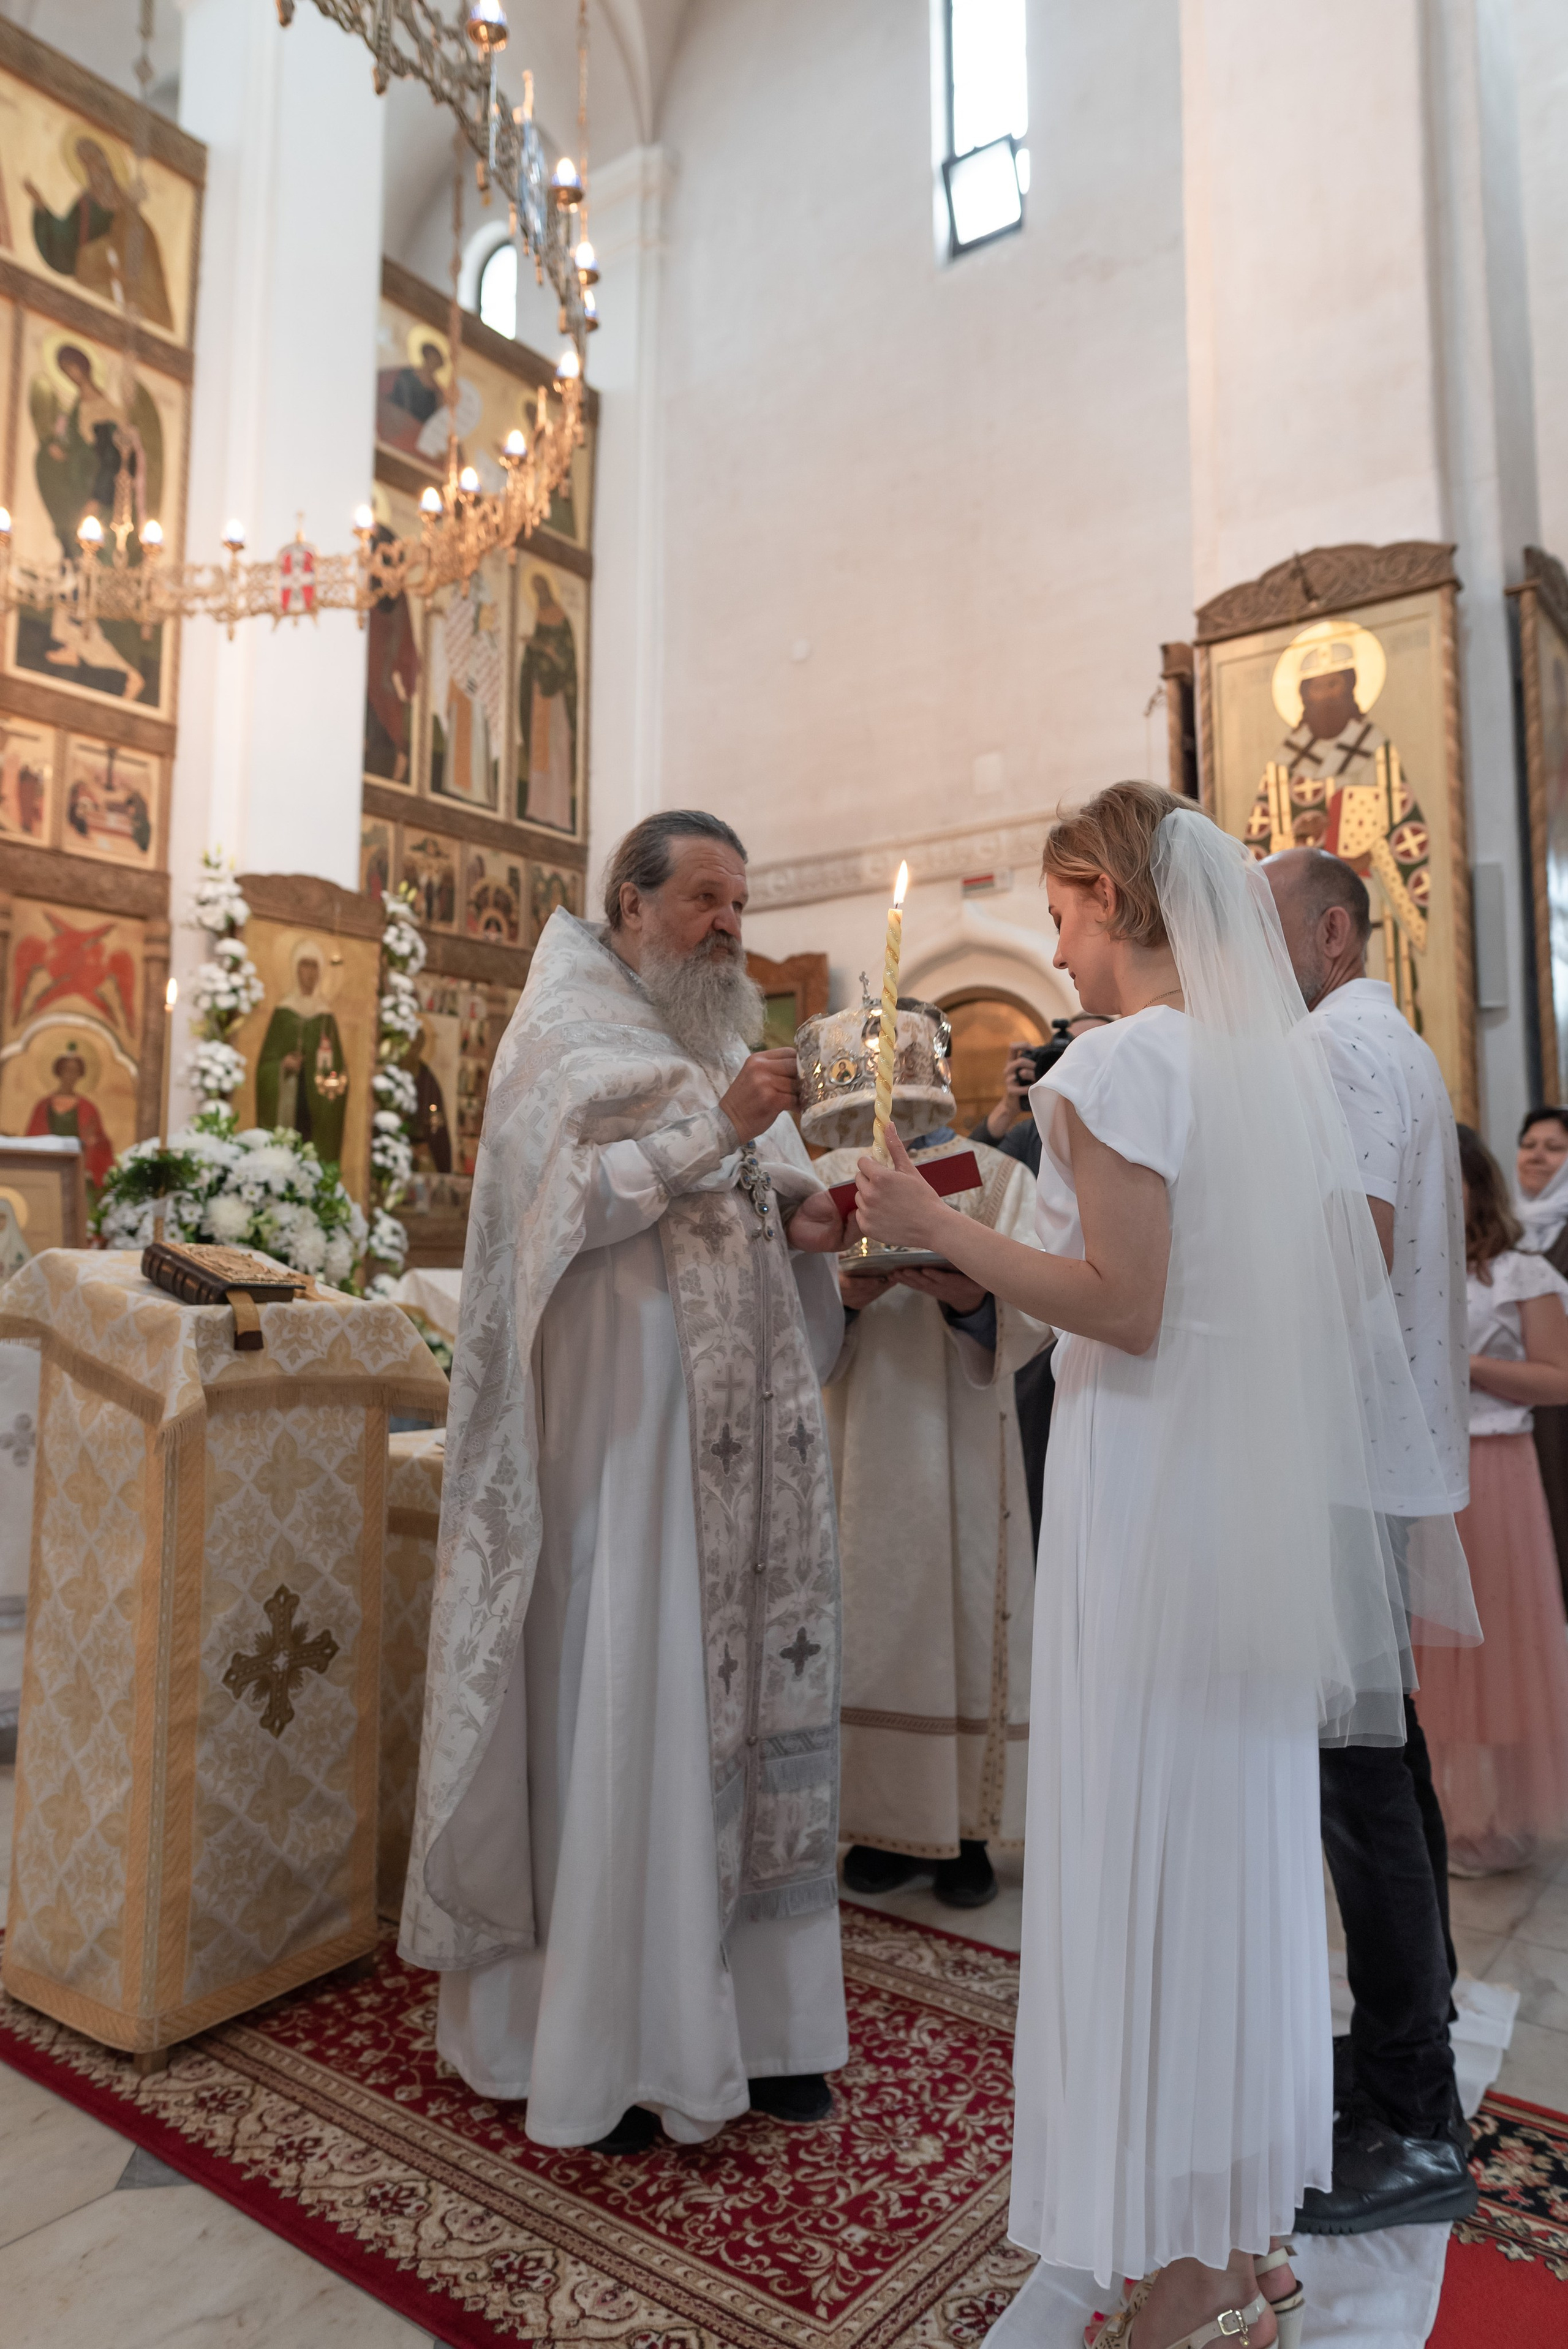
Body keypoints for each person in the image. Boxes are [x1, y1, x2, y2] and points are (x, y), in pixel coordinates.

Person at [856, 783, 1473, 2348]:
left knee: (1143, 1834)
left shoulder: (1122, 1059)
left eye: (1059, 914)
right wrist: (978, 1251)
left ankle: (1183, 2247)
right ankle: (1219, 2233)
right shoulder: (1258, 1070)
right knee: (1230, 1849)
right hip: (1225, 1491)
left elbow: (1114, 1302)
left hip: (1144, 1493)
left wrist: (910, 1221)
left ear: (1109, 900)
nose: (1053, 948)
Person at [400, 810, 851, 2155]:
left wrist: (810, 1221)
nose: (728, 924)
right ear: (629, 901)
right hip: (622, 1446)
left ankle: (760, 2031)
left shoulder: (715, 1038)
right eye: (703, 898)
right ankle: (607, 2039)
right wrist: (718, 1128)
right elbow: (565, 1212)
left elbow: (759, 1205)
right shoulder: (559, 1035)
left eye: (739, 900)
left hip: (740, 1448)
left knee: (742, 1711)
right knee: (635, 1698)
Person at [1263, 846, 1476, 2235]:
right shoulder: (1380, 1036)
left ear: (1332, 930)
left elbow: (1346, 1248)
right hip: (1367, 1452)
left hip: (1334, 1458)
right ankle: (1415, 2037)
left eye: (1269, 926)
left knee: (1354, 1781)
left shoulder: (1337, 1049)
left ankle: (1409, 2108)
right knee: (1380, 1759)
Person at [816, 1076, 1047, 1910]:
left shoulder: (994, 1176)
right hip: (863, 1437)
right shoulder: (832, 1175)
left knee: (971, 1611)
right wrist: (839, 1296)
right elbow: (789, 1316)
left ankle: (971, 1830)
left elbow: (1035, 1312)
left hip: (966, 1434)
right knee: (875, 1617)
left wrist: (975, 1300)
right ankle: (879, 1822)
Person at [1413, 1127, 1568, 1873]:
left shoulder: (1520, 1274)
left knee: (1498, 1645)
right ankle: (1441, 1810)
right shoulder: (1405, 1265)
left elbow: (1556, 1378)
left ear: (1474, 1182)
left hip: (1497, 1466)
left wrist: (1463, 1361)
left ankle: (1498, 1815)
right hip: (1422, 1470)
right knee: (1430, 1650)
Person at [971, 1016, 1111, 1548]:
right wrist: (1006, 1112)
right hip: (1041, 1350)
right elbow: (970, 1181)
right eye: (1063, 1048)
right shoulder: (1032, 1130)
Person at [1513, 1104, 1568, 1608]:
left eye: (1555, 1149)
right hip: (1520, 1395)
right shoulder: (1503, 1226)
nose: (1538, 1157)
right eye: (1530, 1145)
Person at [254, 944, 350, 1165]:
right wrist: (282, 1065)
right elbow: (264, 1066)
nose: (310, 973)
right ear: (295, 970)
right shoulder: (283, 1012)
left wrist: (332, 1080)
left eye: (315, 967)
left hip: (317, 1103)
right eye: (304, 965)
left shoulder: (326, 1016)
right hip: (288, 1095)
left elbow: (339, 1068)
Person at [25, 1047, 113, 1193]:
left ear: (80, 1075)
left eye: (76, 1071)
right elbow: (32, 1139)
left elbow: (101, 1143)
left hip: (77, 1169)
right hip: (48, 1168)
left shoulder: (88, 1108)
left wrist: (92, 1142)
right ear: (59, 1072)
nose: (71, 1076)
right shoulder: (43, 1106)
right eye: (67, 1070)